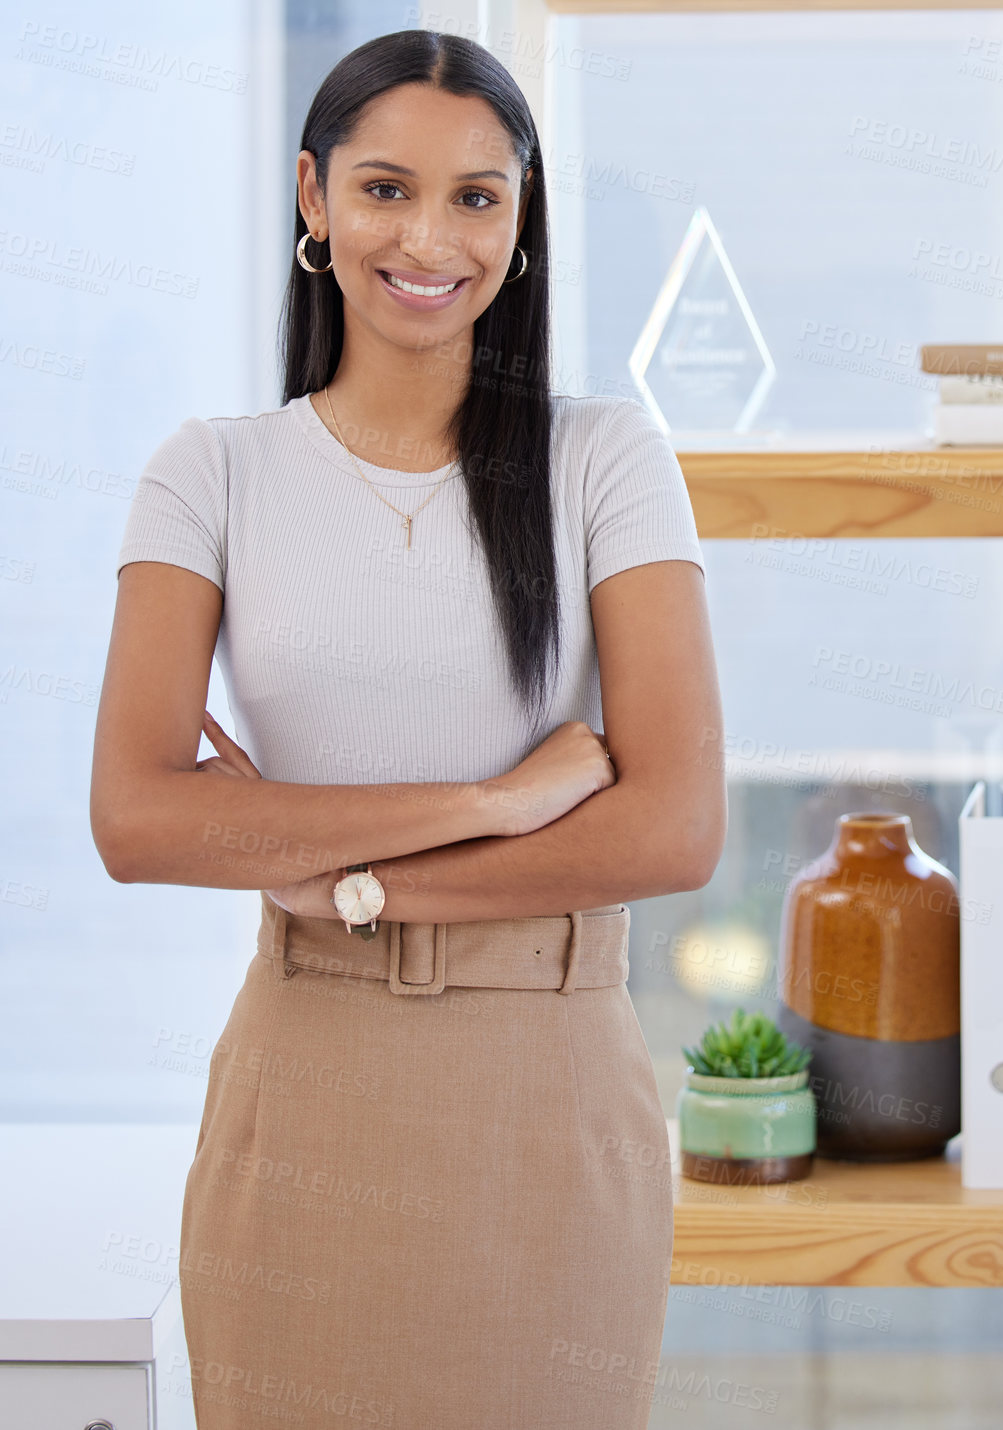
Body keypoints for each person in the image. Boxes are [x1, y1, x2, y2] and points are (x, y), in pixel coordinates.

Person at [90, 27, 725, 1428]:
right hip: (306, 1080)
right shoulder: (210, 473)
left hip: (548, 1095)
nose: (428, 235)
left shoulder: (606, 459)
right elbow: (139, 817)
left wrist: (348, 881)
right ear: (313, 199)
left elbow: (673, 824)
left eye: (476, 197)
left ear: (520, 218)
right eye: (384, 188)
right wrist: (494, 799)